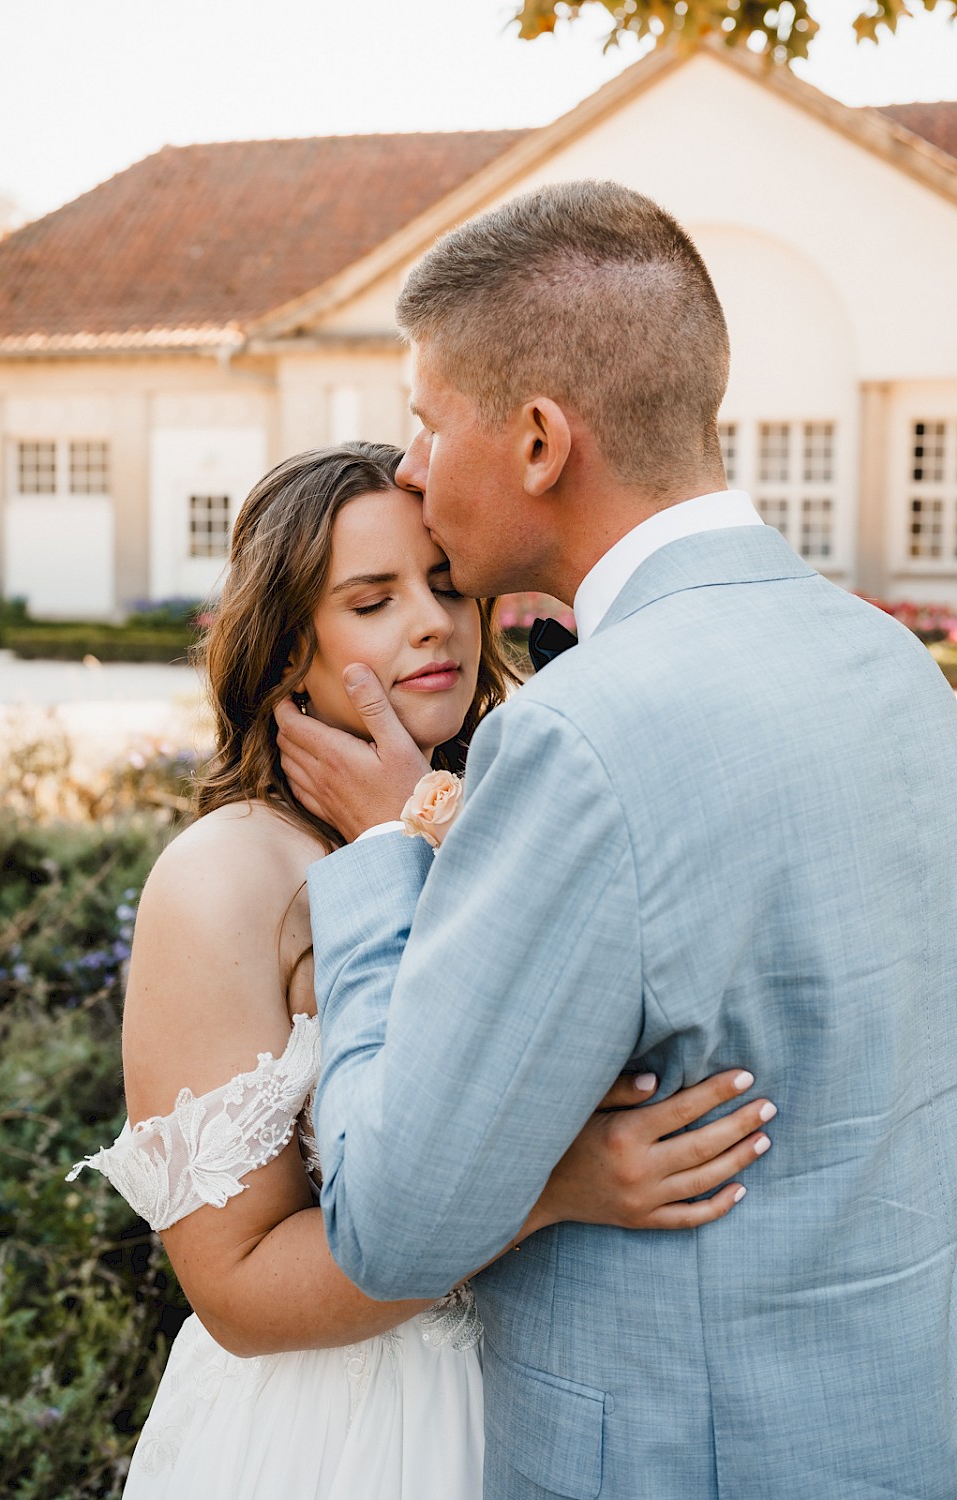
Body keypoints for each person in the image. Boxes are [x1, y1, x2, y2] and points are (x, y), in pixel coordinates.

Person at [276, 182, 957, 1499]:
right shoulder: (890, 660)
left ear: (537, 441)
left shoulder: (581, 737)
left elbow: (397, 1225)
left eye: (427, 424)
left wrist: (383, 851)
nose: (413, 471)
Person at [69, 441, 774, 1500]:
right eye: (371, 600)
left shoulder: (511, 813)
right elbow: (239, 1291)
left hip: (541, 1406)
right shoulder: (223, 878)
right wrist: (553, 1191)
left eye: (444, 583)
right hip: (338, 1437)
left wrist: (407, 831)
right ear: (286, 646)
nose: (431, 620)